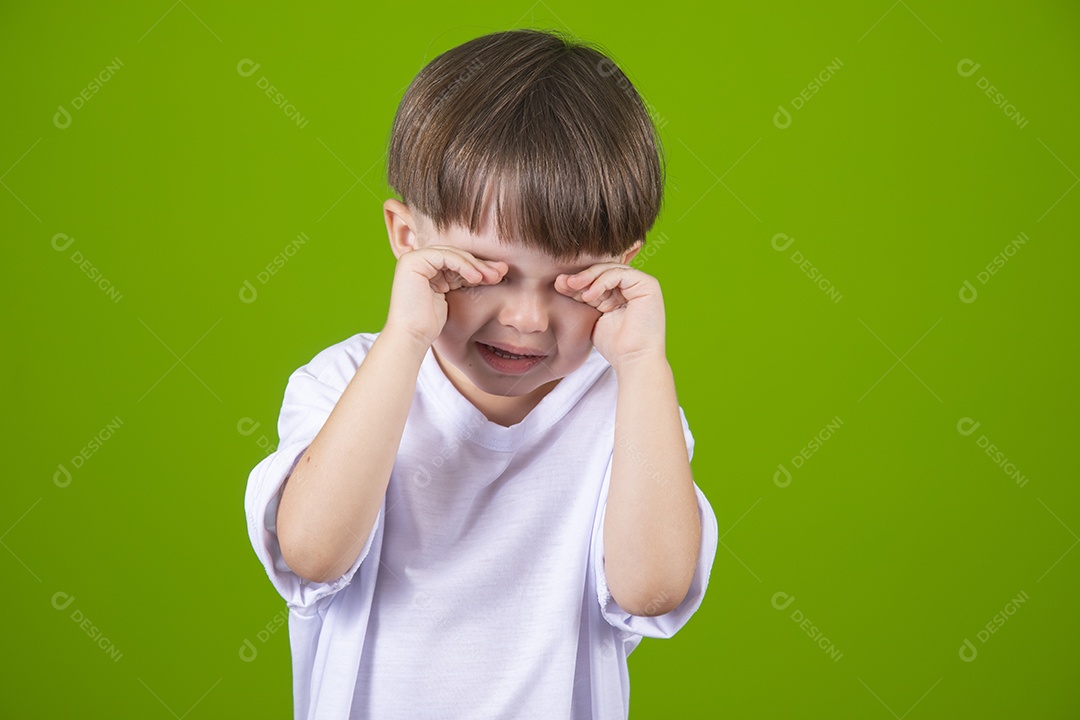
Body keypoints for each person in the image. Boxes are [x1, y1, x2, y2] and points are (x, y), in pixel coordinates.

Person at [244, 27, 719, 720]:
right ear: (409, 240)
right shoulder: (346, 380)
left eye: (569, 283)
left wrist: (645, 366)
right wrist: (406, 338)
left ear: (622, 269)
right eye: (485, 273)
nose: (527, 319)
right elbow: (312, 556)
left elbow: (652, 591)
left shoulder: (630, 414)